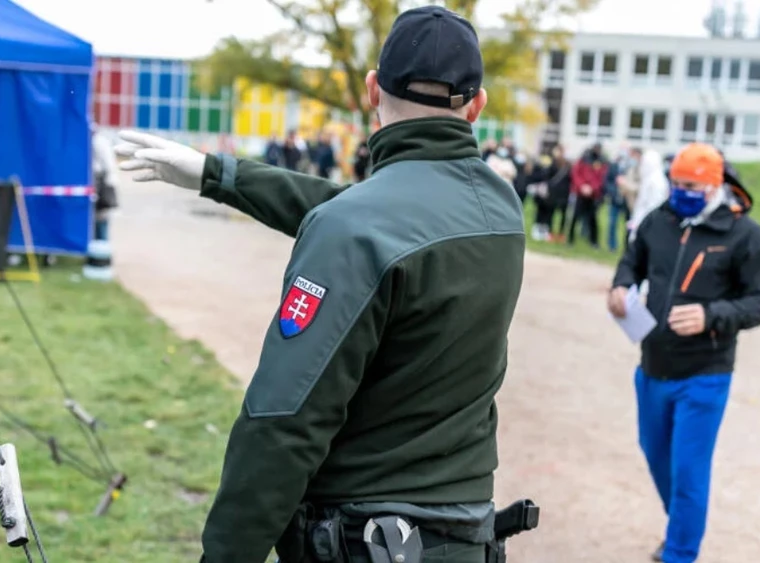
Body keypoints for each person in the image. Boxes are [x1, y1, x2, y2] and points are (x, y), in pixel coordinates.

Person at [114, 6, 526, 563]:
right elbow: (368, 220)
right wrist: (219, 175)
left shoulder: (358, 230)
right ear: (476, 105)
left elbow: (283, 422)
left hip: (364, 540)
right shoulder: (501, 210)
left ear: (373, 88)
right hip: (463, 540)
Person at [607, 143, 760, 563]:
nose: (680, 192)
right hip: (652, 366)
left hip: (705, 373)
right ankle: (682, 525)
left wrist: (712, 314)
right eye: (676, 183)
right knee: (655, 454)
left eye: (691, 186)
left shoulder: (744, 234)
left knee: (688, 470)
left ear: (714, 185)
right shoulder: (660, 219)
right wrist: (620, 285)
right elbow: (633, 260)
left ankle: (680, 552)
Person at [567, 142, 607, 247]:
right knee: (575, 217)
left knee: (593, 219)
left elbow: (601, 178)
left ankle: (593, 241)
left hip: (593, 195)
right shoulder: (583, 159)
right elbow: (576, 174)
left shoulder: (602, 161)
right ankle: (570, 239)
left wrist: (592, 188)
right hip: (581, 193)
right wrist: (582, 186)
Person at [628, 149, 669, 244]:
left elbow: (653, 206)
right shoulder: (649, 179)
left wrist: (640, 222)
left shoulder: (657, 181)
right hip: (641, 221)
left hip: (647, 224)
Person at [91, 124, 119, 240]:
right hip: (98, 184)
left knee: (101, 221)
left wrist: (106, 189)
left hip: (102, 187)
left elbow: (109, 166)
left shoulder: (99, 142)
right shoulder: (95, 141)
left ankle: (102, 254)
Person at [604, 144, 632, 252]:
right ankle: (612, 245)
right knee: (612, 223)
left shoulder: (631, 166)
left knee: (629, 225)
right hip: (615, 199)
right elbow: (608, 181)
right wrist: (613, 192)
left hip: (627, 201)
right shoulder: (613, 165)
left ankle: (627, 247)